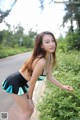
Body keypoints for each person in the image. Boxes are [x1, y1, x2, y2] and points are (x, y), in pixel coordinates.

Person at [2, 31, 73, 120]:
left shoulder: (50, 57)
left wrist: (62, 86)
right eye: (47, 42)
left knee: (27, 110)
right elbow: (32, 82)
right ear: (41, 45)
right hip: (15, 82)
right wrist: (30, 98)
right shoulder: (41, 61)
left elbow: (50, 77)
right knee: (28, 110)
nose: (52, 44)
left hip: (21, 82)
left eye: (52, 41)